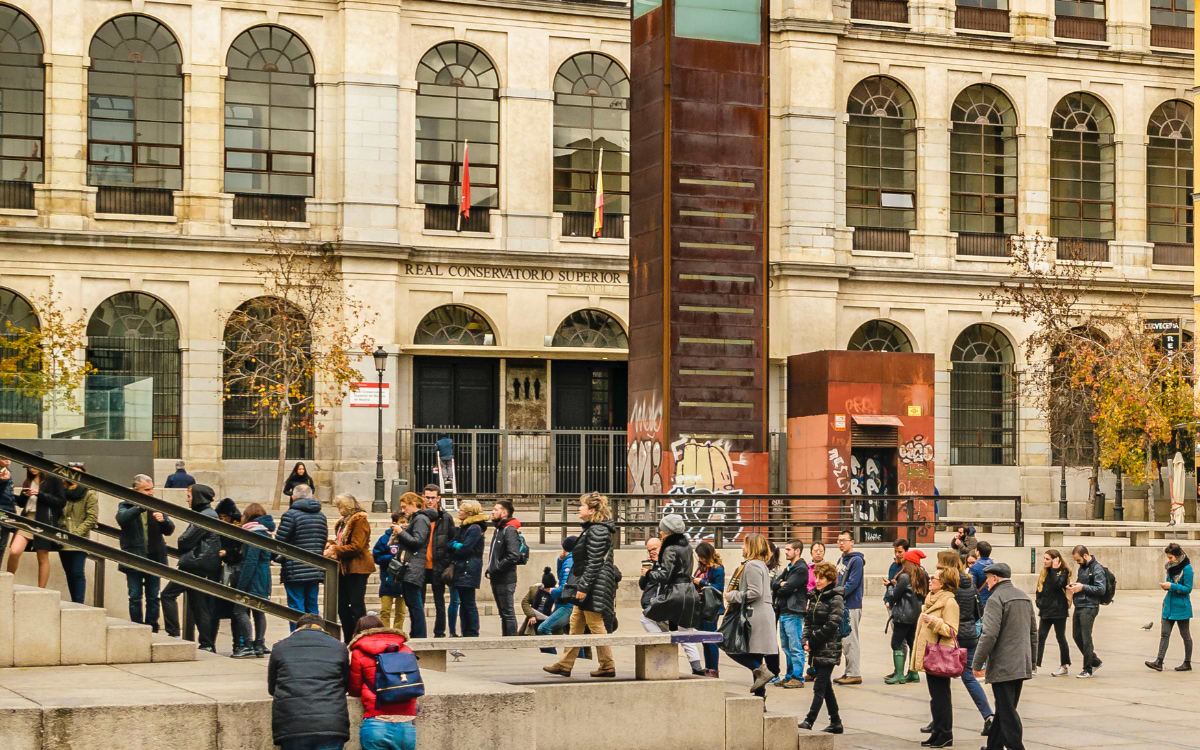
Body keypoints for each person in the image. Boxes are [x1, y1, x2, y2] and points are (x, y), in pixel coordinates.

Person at [543, 491, 619, 678]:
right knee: (576, 622)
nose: (579, 509)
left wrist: (583, 588)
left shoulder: (598, 530)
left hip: (593, 586)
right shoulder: (593, 528)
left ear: (592, 510)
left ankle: (607, 665)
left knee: (595, 624)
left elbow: (594, 562)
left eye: (582, 506)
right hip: (591, 583)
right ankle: (565, 664)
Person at [972, 562, 1036, 750]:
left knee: (1007, 712)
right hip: (1021, 662)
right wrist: (1031, 661)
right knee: (1003, 708)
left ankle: (1017, 747)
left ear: (995, 578)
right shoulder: (1024, 597)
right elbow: (1033, 632)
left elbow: (989, 634)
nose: (987, 583)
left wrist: (977, 662)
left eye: (988, 579)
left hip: (1004, 664)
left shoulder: (995, 599)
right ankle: (994, 746)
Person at [930, 550, 993, 737]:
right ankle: (988, 716)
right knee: (968, 676)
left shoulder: (949, 586)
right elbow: (978, 609)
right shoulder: (969, 581)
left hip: (952, 635)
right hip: (970, 634)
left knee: (940, 680)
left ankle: (940, 723)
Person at [268, 613, 350, 750]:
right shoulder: (339, 647)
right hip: (330, 724)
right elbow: (345, 685)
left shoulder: (279, 647)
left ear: (297, 628)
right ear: (323, 629)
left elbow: (272, 688)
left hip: (292, 724)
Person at [642, 513, 704, 676]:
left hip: (675, 592)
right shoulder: (687, 547)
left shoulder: (670, 548)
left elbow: (665, 575)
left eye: (662, 530)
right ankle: (697, 668)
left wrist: (649, 574)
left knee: (647, 616)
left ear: (668, 531)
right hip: (688, 592)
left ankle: (663, 645)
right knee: (684, 630)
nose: (661, 533)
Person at [348, 614, 418, 750]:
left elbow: (355, 689)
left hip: (376, 721)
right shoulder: (405, 649)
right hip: (406, 724)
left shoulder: (358, 652)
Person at [165, 483, 221, 649]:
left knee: (167, 594)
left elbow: (184, 540)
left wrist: (184, 543)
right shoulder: (207, 513)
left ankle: (174, 633)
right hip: (199, 564)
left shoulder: (205, 515)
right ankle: (206, 643)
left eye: (189, 496)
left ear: (197, 497)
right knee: (198, 604)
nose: (187, 499)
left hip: (195, 564)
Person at [117, 474, 175, 633]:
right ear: (135, 490)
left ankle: (152, 628)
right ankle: (137, 627)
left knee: (153, 597)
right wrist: (140, 506)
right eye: (147, 490)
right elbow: (121, 519)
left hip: (154, 558)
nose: (150, 493)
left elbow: (170, 530)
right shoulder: (126, 505)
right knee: (135, 597)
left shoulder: (157, 505)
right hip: (134, 557)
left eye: (152, 489)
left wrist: (163, 520)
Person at [724, 533, 778, 698]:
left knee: (730, 646)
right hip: (761, 614)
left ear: (751, 547)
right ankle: (760, 698)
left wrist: (732, 596)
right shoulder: (760, 564)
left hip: (755, 615)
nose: (742, 547)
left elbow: (755, 592)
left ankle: (762, 673)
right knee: (755, 653)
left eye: (744, 544)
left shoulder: (752, 565)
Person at [912, 565, 960, 749]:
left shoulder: (949, 603)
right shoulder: (931, 599)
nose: (930, 579)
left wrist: (934, 622)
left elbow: (952, 630)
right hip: (930, 654)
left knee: (942, 697)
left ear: (944, 583)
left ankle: (946, 733)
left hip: (940, 655)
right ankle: (937, 732)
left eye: (934, 578)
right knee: (935, 697)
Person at [799, 561, 844, 734]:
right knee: (826, 687)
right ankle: (836, 722)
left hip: (828, 647)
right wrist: (805, 640)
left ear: (830, 579)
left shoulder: (836, 597)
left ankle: (809, 720)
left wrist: (813, 641)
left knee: (819, 686)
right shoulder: (815, 596)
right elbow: (809, 621)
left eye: (822, 578)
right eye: (817, 577)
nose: (818, 581)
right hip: (817, 647)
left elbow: (833, 624)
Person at [274, 484, 329, 629]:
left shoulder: (290, 515)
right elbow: (322, 541)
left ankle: (297, 637)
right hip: (315, 568)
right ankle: (316, 635)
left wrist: (276, 557)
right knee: (312, 605)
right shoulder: (321, 516)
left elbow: (279, 541)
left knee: (295, 607)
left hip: (295, 569)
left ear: (293, 497)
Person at [8, 453, 66, 587]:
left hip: (43, 521)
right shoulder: (28, 480)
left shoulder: (53, 480)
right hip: (27, 519)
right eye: (29, 466)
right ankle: (7, 583)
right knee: (14, 551)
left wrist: (39, 494)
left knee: (42, 556)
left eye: (34, 466)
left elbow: (61, 501)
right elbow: (23, 503)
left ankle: (42, 589)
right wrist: (18, 495)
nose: (31, 469)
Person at [326, 494, 374, 644]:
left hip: (358, 567)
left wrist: (336, 549)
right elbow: (343, 541)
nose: (339, 510)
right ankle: (348, 637)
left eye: (341, 507)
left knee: (356, 604)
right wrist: (332, 543)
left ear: (348, 506)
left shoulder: (359, 521)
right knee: (341, 604)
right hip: (344, 567)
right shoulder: (343, 522)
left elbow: (357, 546)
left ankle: (360, 637)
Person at [393, 492, 437, 638]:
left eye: (405, 507)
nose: (403, 511)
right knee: (412, 603)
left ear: (413, 504)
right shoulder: (417, 519)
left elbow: (417, 541)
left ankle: (420, 635)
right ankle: (416, 633)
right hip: (411, 564)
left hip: (414, 565)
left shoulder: (421, 519)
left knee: (415, 603)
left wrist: (401, 532)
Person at [236, 502, 276, 657]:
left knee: (239, 610)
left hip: (254, 578)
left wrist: (241, 585)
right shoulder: (266, 532)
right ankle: (259, 644)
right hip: (264, 577)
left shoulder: (254, 533)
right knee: (259, 611)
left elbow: (250, 561)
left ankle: (248, 644)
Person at [1147, 542, 1193, 672]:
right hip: (1169, 605)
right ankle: (1159, 661)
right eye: (1168, 557)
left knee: (1185, 635)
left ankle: (1187, 662)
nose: (1169, 560)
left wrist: (1171, 586)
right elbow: (1170, 582)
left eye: (1171, 557)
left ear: (1178, 556)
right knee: (1164, 634)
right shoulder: (1170, 568)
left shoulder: (1187, 569)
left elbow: (1188, 589)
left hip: (1181, 607)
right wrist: (1166, 586)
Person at [884, 549, 927, 685]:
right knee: (912, 642)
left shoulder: (904, 577)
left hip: (903, 615)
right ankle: (913, 673)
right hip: (916, 614)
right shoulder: (923, 575)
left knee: (896, 642)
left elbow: (894, 595)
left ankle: (899, 674)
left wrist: (890, 586)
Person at [447, 498, 489, 637]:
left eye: (462, 510)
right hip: (462, 568)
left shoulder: (475, 528)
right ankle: (466, 630)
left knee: (468, 602)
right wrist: (456, 545)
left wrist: (457, 546)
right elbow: (450, 544)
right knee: (464, 602)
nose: (459, 511)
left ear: (469, 513)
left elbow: (465, 549)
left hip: (469, 568)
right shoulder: (464, 527)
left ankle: (471, 631)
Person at [420, 484, 456, 638]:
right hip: (420, 565)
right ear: (423, 497)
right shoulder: (419, 516)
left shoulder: (446, 518)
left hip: (438, 564)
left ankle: (439, 632)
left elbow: (452, 539)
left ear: (438, 498)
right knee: (418, 603)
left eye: (433, 498)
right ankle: (419, 632)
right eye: (427, 497)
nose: (429, 500)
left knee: (439, 602)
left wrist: (449, 561)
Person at [772, 538, 809, 688]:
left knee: (795, 646)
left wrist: (781, 585)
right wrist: (780, 584)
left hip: (793, 611)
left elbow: (785, 588)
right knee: (786, 647)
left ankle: (797, 677)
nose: (785, 552)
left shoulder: (801, 569)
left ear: (797, 551)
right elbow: (774, 583)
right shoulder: (789, 568)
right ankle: (789, 675)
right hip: (784, 610)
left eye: (788, 550)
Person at [58, 467, 98, 604]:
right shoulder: (62, 491)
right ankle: (74, 603)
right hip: (62, 538)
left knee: (77, 572)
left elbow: (92, 518)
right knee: (69, 573)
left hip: (79, 540)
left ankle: (79, 604)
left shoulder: (89, 493)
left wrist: (75, 535)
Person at [1067, 544, 1106, 678]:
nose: (1077, 562)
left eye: (1078, 560)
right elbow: (1082, 583)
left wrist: (1082, 587)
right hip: (1080, 604)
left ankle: (1087, 668)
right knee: (1076, 636)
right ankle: (1094, 661)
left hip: (1090, 606)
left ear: (1085, 555)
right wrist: (1075, 586)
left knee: (1086, 637)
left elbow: (1101, 589)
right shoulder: (1082, 568)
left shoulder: (1097, 568)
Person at [486, 500, 523, 636]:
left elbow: (513, 555)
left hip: (506, 578)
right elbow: (496, 554)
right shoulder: (499, 529)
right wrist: (490, 568)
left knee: (508, 612)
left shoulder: (509, 530)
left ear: (504, 513)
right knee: (503, 613)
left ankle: (511, 640)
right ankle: (506, 639)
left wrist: (496, 567)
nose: (492, 511)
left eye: (496, 509)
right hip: (497, 576)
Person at [536, 535, 578, 653]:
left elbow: (565, 586)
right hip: (569, 603)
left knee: (544, 628)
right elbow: (562, 577)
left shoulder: (570, 561)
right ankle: (580, 659)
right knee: (574, 634)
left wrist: (552, 591)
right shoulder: (570, 559)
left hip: (567, 604)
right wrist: (560, 561)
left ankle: (552, 656)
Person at [1035, 549, 1072, 677]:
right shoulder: (1044, 572)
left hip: (1059, 611)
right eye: (1044, 559)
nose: (1045, 561)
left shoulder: (1063, 572)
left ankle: (1064, 665)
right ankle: (1034, 664)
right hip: (1045, 610)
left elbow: (1057, 585)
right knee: (1040, 637)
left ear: (1055, 560)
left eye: (1047, 559)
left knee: (1060, 637)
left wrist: (1055, 570)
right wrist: (1039, 602)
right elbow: (1040, 589)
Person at [834, 529, 864, 685]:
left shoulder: (856, 561)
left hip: (851, 604)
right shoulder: (842, 559)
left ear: (852, 542)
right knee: (845, 640)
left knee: (851, 639)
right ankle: (848, 671)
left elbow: (852, 584)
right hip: (842, 603)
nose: (841, 543)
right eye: (839, 540)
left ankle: (854, 673)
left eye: (844, 540)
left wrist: (836, 593)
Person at [373, 512, 408, 632]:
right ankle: (385, 632)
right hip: (388, 579)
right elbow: (377, 556)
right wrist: (391, 559)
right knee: (385, 611)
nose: (405, 525)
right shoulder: (384, 539)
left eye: (406, 522)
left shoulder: (408, 537)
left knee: (401, 612)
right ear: (394, 523)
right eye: (402, 522)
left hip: (403, 580)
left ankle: (398, 632)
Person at [694, 541, 725, 676]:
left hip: (712, 607)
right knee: (704, 639)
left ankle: (714, 668)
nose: (700, 559)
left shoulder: (717, 568)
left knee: (711, 638)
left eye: (702, 556)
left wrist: (701, 582)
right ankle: (708, 667)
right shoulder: (702, 567)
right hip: (701, 606)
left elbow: (718, 587)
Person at [520, 567, 558, 635]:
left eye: (551, 588)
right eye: (547, 589)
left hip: (550, 621)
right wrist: (531, 615)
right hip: (535, 620)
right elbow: (524, 602)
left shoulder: (557, 592)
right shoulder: (535, 590)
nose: (549, 590)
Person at [970, 541, 996, 609]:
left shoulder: (974, 568)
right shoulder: (995, 566)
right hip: (994, 599)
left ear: (978, 552)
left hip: (981, 600)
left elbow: (972, 587)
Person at [0, 458, 13, 566]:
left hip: (8, 512)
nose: (8, 460)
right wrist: (3, 481)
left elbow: (8, 495)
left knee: (2, 545)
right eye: (4, 458)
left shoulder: (8, 472)